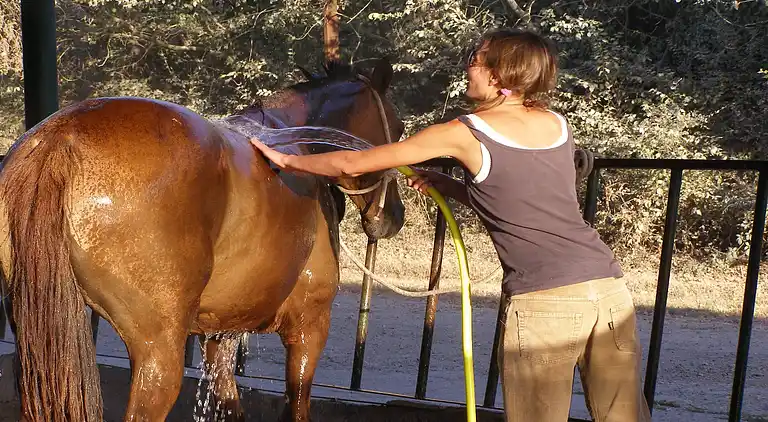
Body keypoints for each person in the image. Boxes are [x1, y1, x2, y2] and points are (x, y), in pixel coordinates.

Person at [250, 28, 651, 422]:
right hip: (607, 289)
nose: (466, 70)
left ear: (498, 75)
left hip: (545, 303)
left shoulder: (464, 134)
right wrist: (453, 186)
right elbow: (528, 199)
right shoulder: (556, 124)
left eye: (474, 62)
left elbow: (352, 162)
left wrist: (286, 159)